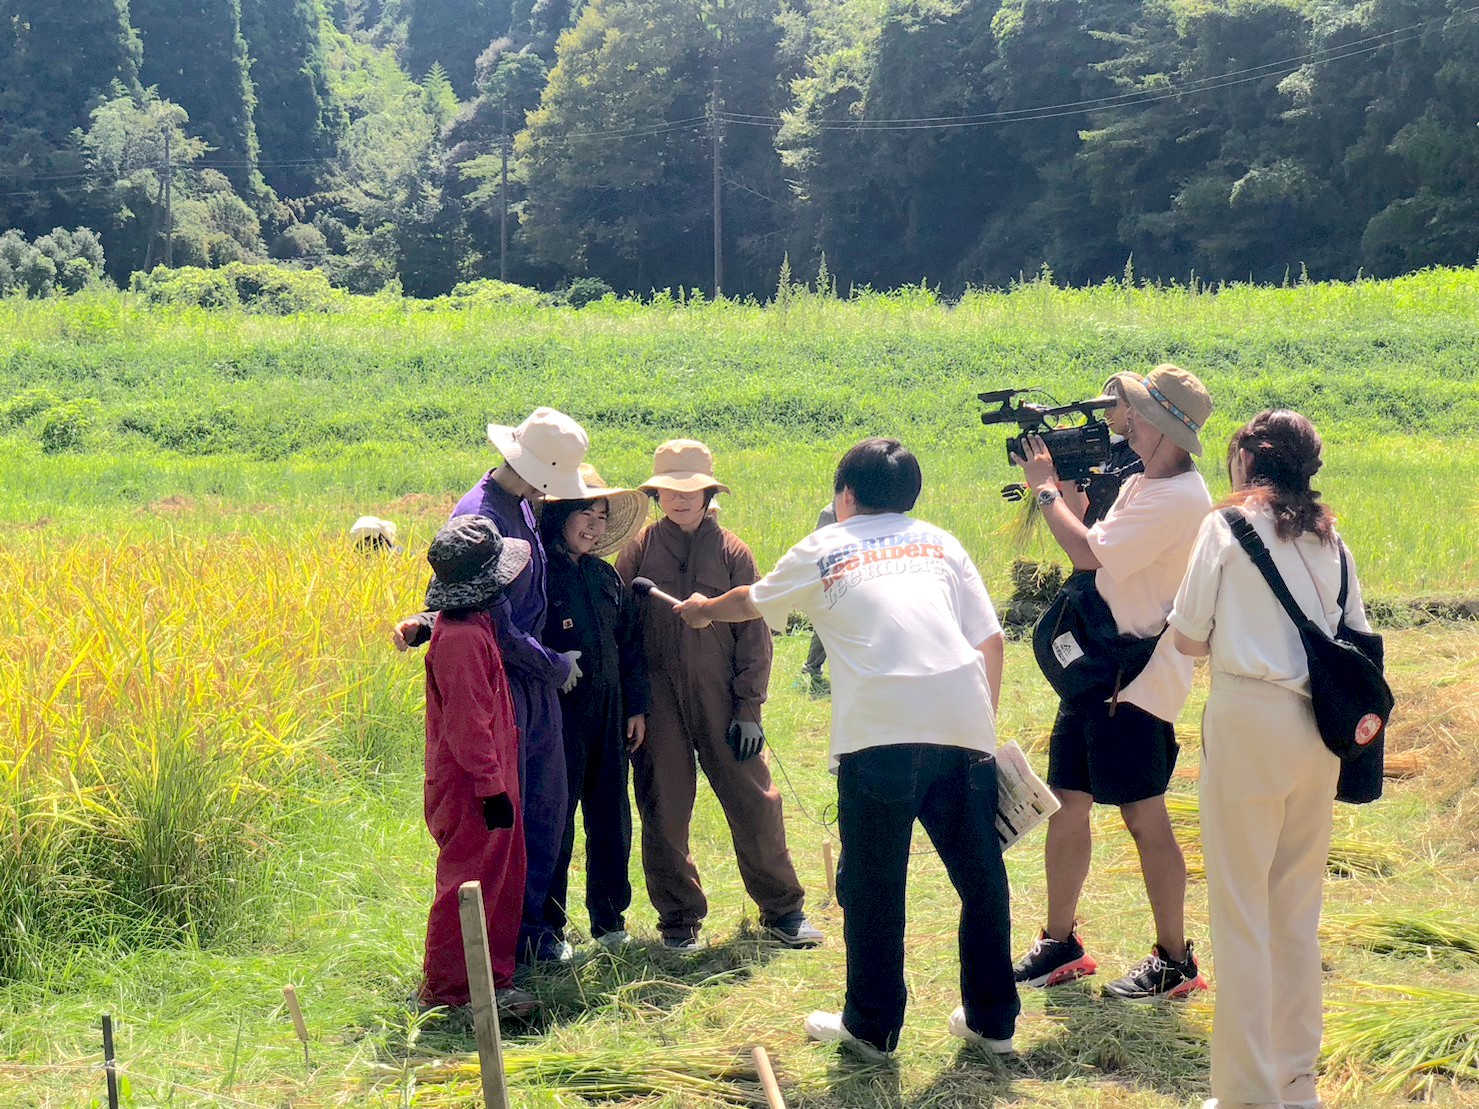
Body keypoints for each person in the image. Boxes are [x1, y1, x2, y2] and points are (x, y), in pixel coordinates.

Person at [673, 438, 1018, 1062]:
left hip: (879, 733)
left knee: (874, 883)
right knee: (982, 878)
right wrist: (981, 730)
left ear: (846, 494)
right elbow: (990, 640)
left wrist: (701, 610)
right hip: (964, 724)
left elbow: (751, 600)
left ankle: (872, 1027)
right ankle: (994, 1023)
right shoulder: (941, 541)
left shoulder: (827, 544)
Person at [1169, 411, 1367, 1109]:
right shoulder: (1330, 538)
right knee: (1293, 912)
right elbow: (1359, 635)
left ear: (1249, 458)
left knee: (1240, 910)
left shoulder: (1224, 527)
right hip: (1318, 729)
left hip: (1247, 714)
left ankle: (1247, 1092)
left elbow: (1187, 638)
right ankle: (1295, 1084)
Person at [1010, 363, 1213, 1000]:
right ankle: (1060, 942)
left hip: (1137, 682)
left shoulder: (1178, 498)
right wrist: (1066, 492)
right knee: (1068, 798)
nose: (1121, 420)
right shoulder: (1145, 482)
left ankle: (1175, 958)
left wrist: (1043, 491)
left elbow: (1086, 554)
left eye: (1133, 412)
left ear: (1159, 426)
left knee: (1144, 816)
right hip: (1099, 670)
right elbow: (1092, 534)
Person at [396, 406, 591, 965]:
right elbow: (497, 624)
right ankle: (513, 946)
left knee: (546, 807)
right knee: (516, 815)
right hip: (509, 680)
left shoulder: (521, 506)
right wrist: (553, 665)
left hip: (528, 679)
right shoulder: (481, 515)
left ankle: (531, 931)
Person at [614, 439, 821, 950]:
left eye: (692, 490)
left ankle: (783, 910)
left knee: (755, 801)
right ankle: (679, 921)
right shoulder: (637, 550)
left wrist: (749, 708)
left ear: (709, 494)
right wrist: (634, 704)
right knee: (663, 805)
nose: (680, 500)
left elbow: (756, 633)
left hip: (725, 699)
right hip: (658, 699)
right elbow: (624, 634)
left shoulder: (733, 552)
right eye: (669, 491)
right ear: (656, 495)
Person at [417, 515, 538, 1017]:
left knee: (499, 880)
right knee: (469, 886)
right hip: (473, 787)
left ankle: (490, 980)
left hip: (487, 778)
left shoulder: (467, 624)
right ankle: (453, 993)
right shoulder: (463, 639)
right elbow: (469, 729)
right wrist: (492, 792)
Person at [538, 467, 650, 951]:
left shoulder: (606, 577)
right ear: (560, 513)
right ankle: (547, 930)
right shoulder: (537, 574)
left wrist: (636, 707)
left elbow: (629, 646)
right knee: (556, 824)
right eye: (586, 512)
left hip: (611, 716)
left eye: (603, 517)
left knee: (611, 818)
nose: (595, 526)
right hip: (558, 720)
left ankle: (610, 922)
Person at [798, 502, 837, 695]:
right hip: (833, 577)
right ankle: (812, 667)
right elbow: (820, 548)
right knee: (825, 624)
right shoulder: (830, 514)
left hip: (857, 577)